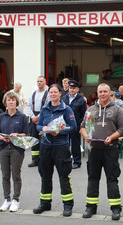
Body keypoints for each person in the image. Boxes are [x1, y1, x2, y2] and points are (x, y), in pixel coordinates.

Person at [80, 83, 123, 221]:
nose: (102, 94)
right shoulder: (91, 109)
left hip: (110, 149)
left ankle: (115, 208)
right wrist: (85, 136)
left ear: (110, 93)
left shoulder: (117, 110)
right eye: (100, 92)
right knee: (93, 178)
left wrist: (112, 137)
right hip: (94, 150)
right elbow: (83, 126)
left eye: (105, 91)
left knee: (112, 179)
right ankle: (90, 207)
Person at [33, 84, 77, 217]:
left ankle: (67, 205)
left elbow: (73, 127)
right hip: (46, 146)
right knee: (45, 175)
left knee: (64, 175)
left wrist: (61, 131)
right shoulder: (45, 109)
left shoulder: (66, 109)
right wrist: (44, 129)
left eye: (55, 92)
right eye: (51, 92)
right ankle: (45, 203)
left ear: (60, 94)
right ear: (48, 95)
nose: (53, 94)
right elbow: (38, 126)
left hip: (61, 146)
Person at [0, 91, 29, 212]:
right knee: (5, 175)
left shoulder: (22, 117)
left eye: (13, 100)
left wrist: (17, 135)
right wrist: (3, 138)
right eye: (9, 100)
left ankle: (15, 199)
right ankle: (6, 199)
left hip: (17, 149)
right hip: (3, 148)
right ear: (5, 102)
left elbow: (26, 133)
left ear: (16, 102)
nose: (11, 102)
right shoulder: (0, 117)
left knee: (16, 175)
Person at [62, 80, 87, 169]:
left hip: (76, 125)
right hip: (65, 125)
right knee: (65, 143)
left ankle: (77, 161)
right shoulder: (64, 98)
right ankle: (66, 160)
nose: (72, 90)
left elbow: (84, 114)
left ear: (77, 89)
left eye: (74, 88)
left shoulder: (81, 99)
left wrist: (81, 126)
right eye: (70, 88)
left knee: (75, 144)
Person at [27, 76, 49, 167]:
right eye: (38, 81)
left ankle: (43, 159)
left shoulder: (47, 94)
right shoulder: (33, 94)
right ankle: (34, 159)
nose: (39, 83)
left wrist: (39, 117)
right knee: (34, 138)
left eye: (41, 81)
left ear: (45, 82)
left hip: (43, 117)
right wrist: (32, 116)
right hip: (33, 118)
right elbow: (28, 106)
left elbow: (47, 106)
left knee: (43, 139)